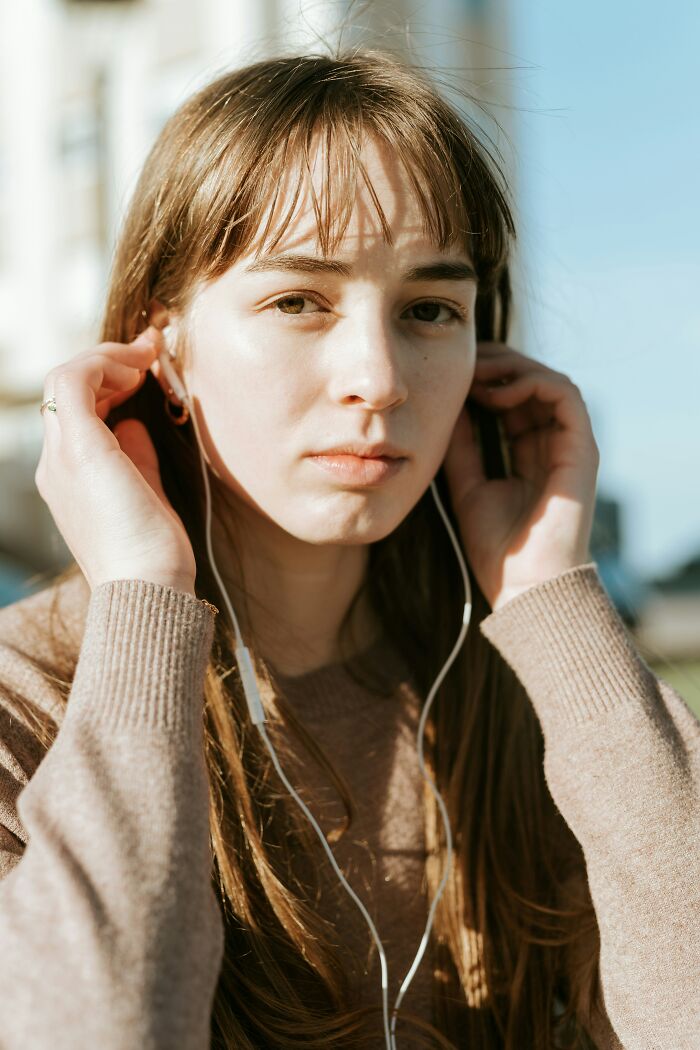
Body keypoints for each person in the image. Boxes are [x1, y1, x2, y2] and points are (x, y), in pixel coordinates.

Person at [0, 48, 698, 1050]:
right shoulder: (24, 708)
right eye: (299, 301)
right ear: (165, 346)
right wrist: (144, 595)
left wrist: (553, 597)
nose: (379, 378)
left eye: (429, 310)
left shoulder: (533, 704)